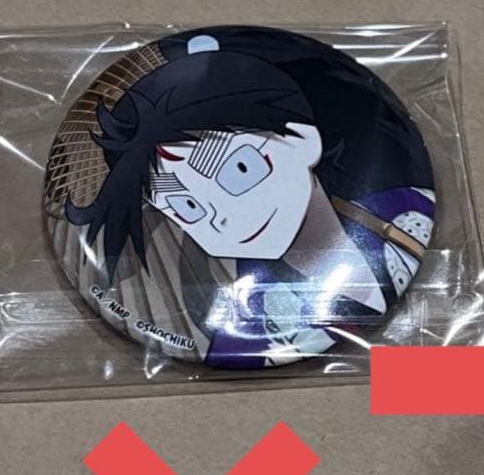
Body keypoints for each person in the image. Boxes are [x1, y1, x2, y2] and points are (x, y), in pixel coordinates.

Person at [66, 26, 435, 367]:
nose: (222, 217)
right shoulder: (245, 334)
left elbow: (459, 385)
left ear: (304, 139)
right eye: (188, 207)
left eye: (240, 170)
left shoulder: (408, 207)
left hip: (438, 374)